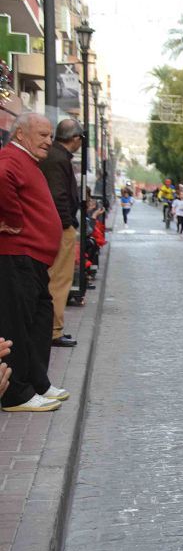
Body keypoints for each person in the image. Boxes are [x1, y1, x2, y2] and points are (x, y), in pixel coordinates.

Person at [0, 113, 68, 412]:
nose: (48, 141)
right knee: (19, 325)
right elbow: (2, 178)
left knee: (40, 320)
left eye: (50, 135)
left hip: (33, 258)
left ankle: (37, 382)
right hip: (18, 255)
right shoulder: (12, 158)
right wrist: (13, 220)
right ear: (19, 135)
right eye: (41, 134)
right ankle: (16, 394)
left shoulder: (27, 160)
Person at [38, 118, 83, 348]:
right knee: (60, 280)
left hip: (55, 224)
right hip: (60, 227)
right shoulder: (58, 159)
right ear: (74, 138)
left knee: (56, 278)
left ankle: (52, 328)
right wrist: (67, 224)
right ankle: (54, 330)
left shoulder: (56, 157)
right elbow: (58, 195)